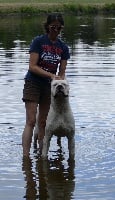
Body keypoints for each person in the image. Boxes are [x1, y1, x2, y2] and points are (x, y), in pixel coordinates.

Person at [22, 13, 70, 157]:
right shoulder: (39, 41)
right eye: (53, 27)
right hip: (33, 82)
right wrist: (50, 75)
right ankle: (25, 156)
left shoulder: (63, 48)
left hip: (49, 87)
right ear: (48, 27)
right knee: (31, 121)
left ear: (61, 28)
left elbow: (61, 74)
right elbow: (32, 66)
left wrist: (61, 84)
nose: (55, 30)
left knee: (42, 122)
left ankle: (41, 156)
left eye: (58, 28)